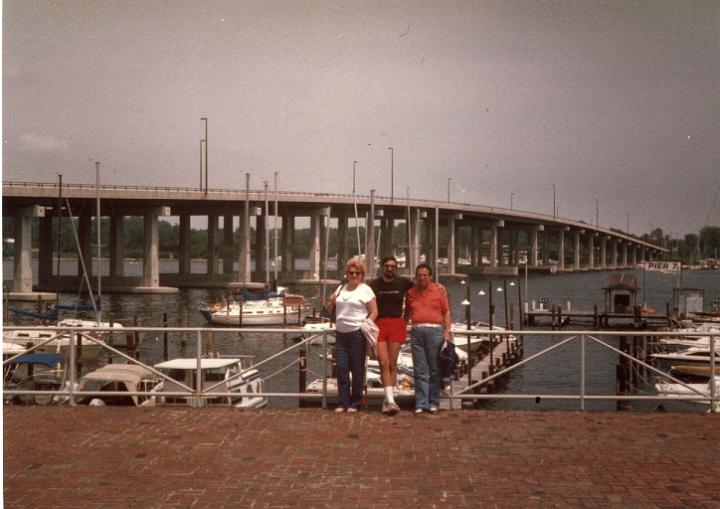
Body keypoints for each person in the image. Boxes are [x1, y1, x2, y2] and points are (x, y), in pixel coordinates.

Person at [326, 257, 378, 413]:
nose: (354, 275)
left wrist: (366, 324)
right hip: (340, 334)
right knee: (341, 369)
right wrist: (332, 301)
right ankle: (343, 402)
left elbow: (374, 311)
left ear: (362, 275)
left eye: (357, 273)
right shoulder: (340, 289)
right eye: (351, 272)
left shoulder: (365, 290)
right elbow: (329, 310)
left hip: (357, 334)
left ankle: (355, 403)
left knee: (357, 370)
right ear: (346, 274)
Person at [403, 263, 453, 414]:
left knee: (435, 369)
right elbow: (407, 314)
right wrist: (402, 330)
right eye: (419, 275)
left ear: (430, 276)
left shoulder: (439, 290)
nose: (422, 278)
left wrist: (448, 330)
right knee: (420, 370)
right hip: (417, 332)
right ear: (416, 277)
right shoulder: (411, 292)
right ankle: (421, 403)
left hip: (435, 332)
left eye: (425, 275)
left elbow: (446, 312)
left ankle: (433, 402)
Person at [369, 256, 413, 415]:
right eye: (387, 266)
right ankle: (390, 400)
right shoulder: (373, 284)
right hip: (379, 324)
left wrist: (406, 319)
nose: (389, 268)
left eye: (392, 266)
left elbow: (419, 291)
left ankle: (389, 400)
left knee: (393, 364)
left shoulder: (404, 283)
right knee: (383, 362)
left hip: (396, 323)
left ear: (396, 268)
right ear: (382, 267)